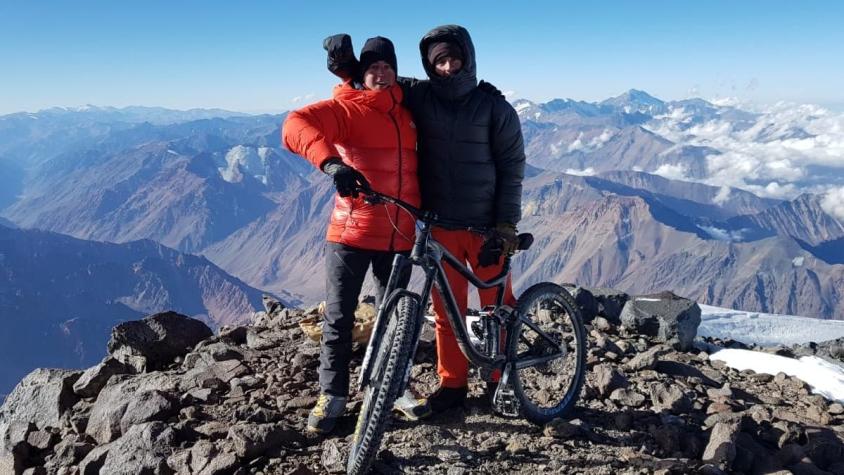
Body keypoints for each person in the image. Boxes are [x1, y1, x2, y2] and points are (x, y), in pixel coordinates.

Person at [324, 25, 526, 417]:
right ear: (429, 67)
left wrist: (506, 226)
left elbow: (512, 168)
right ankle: (452, 384)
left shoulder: (495, 109)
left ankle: (504, 382)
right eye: (440, 61)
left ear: (467, 58)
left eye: (455, 58)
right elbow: (381, 82)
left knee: (497, 308)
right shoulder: (420, 95)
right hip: (440, 227)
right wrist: (347, 70)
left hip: (486, 229)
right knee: (447, 313)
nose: (448, 67)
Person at [282, 36, 420, 433]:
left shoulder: (408, 109)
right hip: (351, 233)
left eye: (387, 67)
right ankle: (333, 396)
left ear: (396, 72)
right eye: (373, 68)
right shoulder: (347, 108)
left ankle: (396, 390)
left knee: (397, 319)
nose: (381, 73)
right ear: (361, 73)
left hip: (399, 235)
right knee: (340, 318)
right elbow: (295, 124)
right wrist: (330, 164)